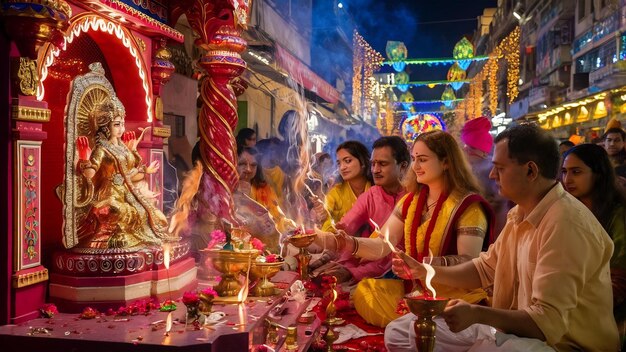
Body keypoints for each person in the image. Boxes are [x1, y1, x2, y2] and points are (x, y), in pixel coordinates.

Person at [388, 125, 619, 351]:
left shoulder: (565, 223)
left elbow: (545, 324)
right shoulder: (518, 214)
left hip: (559, 344)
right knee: (401, 331)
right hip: (514, 331)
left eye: (499, 168)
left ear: (531, 171)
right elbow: (483, 269)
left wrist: (477, 314)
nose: (491, 174)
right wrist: (424, 271)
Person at [315, 130, 495, 327]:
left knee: (400, 329)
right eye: (414, 159)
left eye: (423, 160)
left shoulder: (467, 206)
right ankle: (418, 321)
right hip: (416, 291)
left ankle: (423, 323)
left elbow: (469, 262)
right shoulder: (410, 201)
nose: (415, 166)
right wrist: (340, 241)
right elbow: (382, 246)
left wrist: (424, 266)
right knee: (366, 292)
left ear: (446, 162)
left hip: (453, 295)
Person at [75, 97, 174, 249]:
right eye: (116, 124)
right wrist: (83, 157)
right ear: (106, 126)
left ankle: (129, 234)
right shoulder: (101, 149)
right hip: (109, 195)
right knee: (114, 210)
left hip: (127, 194)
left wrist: (137, 157)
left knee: (160, 219)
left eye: (122, 124)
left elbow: (132, 176)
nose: (121, 128)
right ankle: (107, 236)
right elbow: (89, 174)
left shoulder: (123, 148)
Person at [310, 136, 410, 284]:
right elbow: (346, 227)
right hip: (371, 257)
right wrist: (311, 237)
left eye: (382, 164)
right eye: (373, 164)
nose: (376, 170)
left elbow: (393, 249)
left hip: (404, 267)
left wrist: (353, 272)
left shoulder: (414, 196)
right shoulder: (371, 195)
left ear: (403, 166)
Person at [561, 144, 626, 346]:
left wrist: (574, 303)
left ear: (597, 174)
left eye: (576, 172)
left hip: (606, 313)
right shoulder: (567, 211)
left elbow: (619, 276)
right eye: (564, 172)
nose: (567, 179)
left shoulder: (618, 215)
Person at [237, 146, 295, 251]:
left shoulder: (264, 189)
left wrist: (290, 228)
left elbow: (278, 217)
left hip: (268, 249)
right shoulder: (227, 190)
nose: (248, 169)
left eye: (253, 165)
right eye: (242, 164)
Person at [461, 117, 508, 235]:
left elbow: (500, 199)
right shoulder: (468, 167)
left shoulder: (489, 167)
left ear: (481, 150)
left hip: (492, 224)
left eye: (469, 147)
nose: (465, 150)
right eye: (465, 146)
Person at [320, 141, 373, 232]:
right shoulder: (336, 192)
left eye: (347, 161)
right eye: (339, 163)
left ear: (363, 162)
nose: (342, 168)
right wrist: (321, 214)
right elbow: (327, 224)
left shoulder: (376, 190)